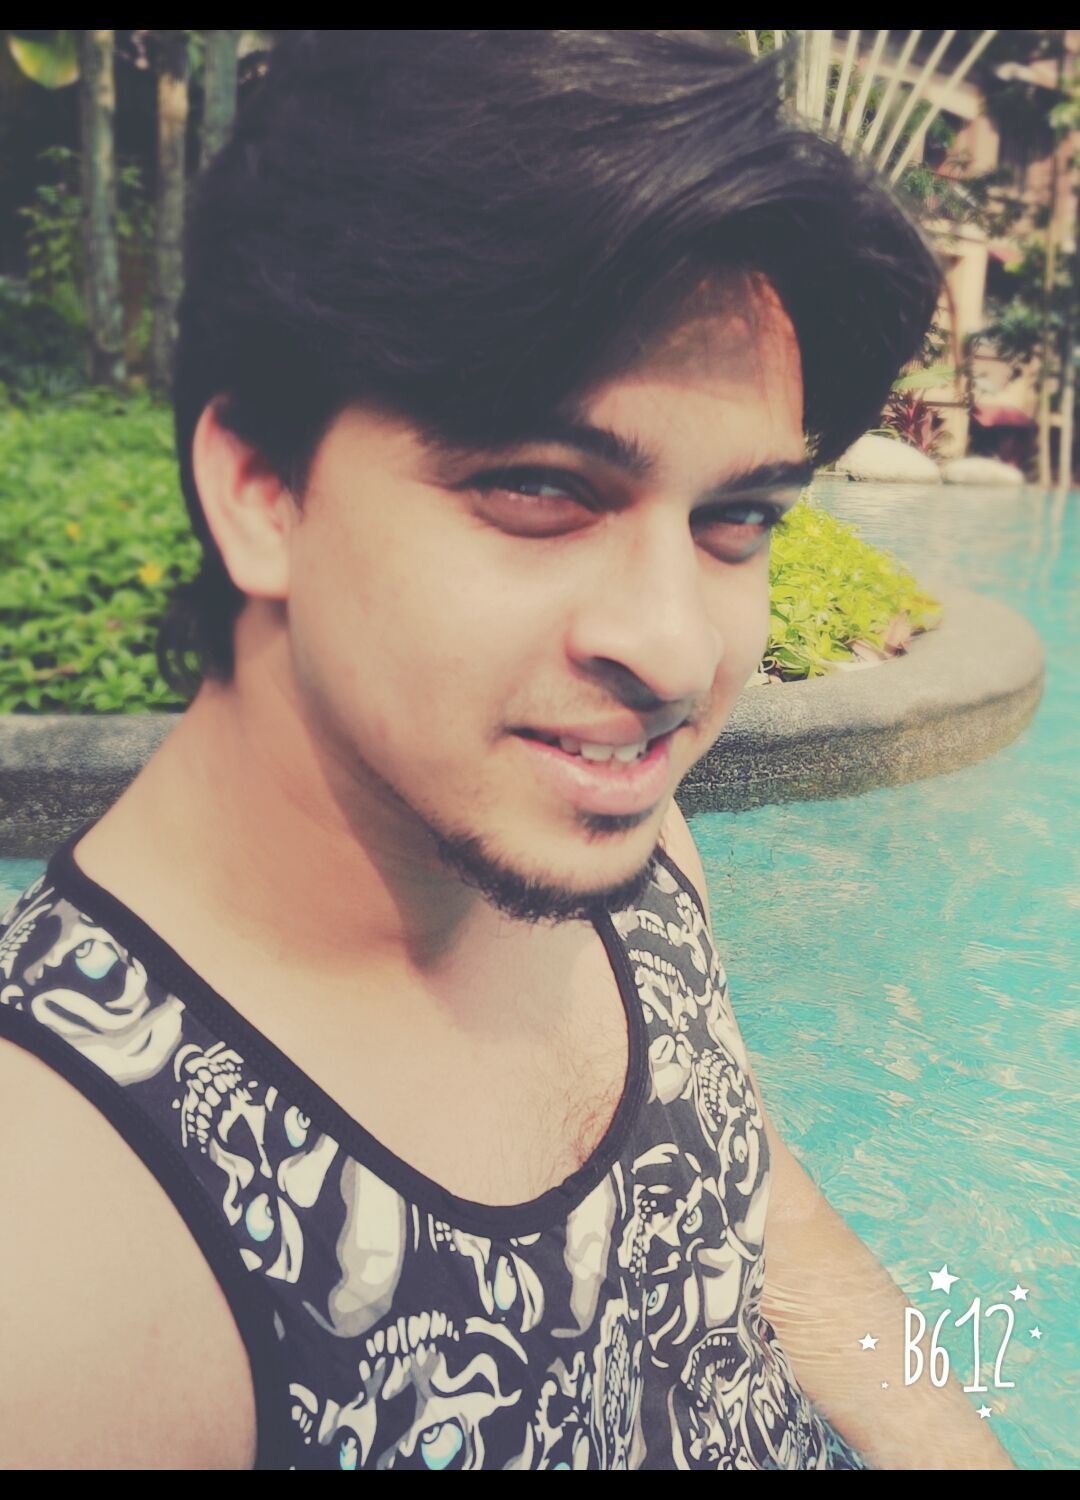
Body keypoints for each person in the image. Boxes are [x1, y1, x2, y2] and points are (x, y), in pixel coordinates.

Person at [0, 31, 1016, 1470]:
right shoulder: (62, 1252)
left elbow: (760, 1214)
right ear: (262, 488)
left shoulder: (624, 843)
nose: (676, 652)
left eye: (738, 517)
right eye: (541, 490)